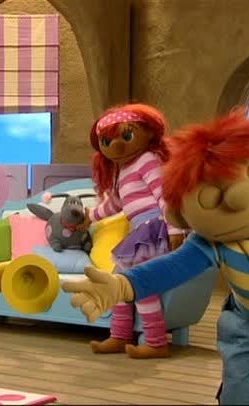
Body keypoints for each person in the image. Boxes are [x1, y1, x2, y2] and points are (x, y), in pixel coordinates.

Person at [64, 108, 249, 404]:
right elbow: (175, 266)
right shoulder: (215, 237)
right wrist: (122, 285)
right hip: (248, 327)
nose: (237, 196)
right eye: (210, 197)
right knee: (237, 395)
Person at [83, 103, 187, 359]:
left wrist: (174, 228)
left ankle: (156, 341)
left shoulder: (147, 160)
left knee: (141, 282)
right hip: (138, 231)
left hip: (153, 228)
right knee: (118, 282)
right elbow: (115, 205)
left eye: (126, 136)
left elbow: (164, 195)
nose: (116, 146)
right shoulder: (123, 170)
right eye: (107, 142)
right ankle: (119, 335)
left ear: (147, 132)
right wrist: (89, 217)